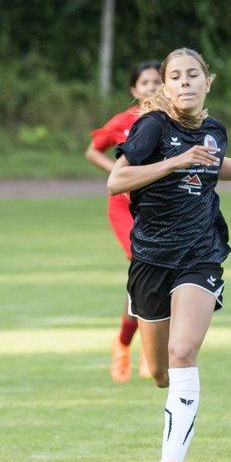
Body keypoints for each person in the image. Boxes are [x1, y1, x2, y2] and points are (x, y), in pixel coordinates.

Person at [107, 47, 231, 462]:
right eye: (175, 76)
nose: (184, 82)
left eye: (193, 74)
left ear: (208, 82)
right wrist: (175, 162)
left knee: (184, 352)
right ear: (164, 85)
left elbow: (214, 165)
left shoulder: (215, 132)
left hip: (200, 256)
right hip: (150, 262)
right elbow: (116, 182)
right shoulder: (152, 127)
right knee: (160, 373)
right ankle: (165, 411)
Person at [85, 60, 162, 382]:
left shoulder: (173, 122)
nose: (153, 87)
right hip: (124, 208)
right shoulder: (122, 121)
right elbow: (93, 151)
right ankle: (128, 343)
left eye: (158, 81)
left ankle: (137, 341)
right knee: (144, 266)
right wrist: (121, 175)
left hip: (158, 210)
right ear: (134, 89)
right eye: (145, 82)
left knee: (154, 276)